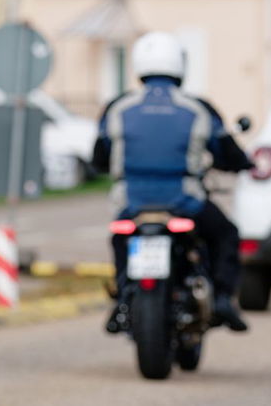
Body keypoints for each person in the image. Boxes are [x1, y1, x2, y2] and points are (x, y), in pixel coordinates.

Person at [92, 31, 253, 334]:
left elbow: (99, 156)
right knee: (226, 235)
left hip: (132, 203)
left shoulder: (118, 107)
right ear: (180, 66)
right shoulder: (197, 108)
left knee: (120, 238)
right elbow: (226, 150)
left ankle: (122, 300)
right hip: (185, 201)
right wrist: (244, 163)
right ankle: (222, 299)